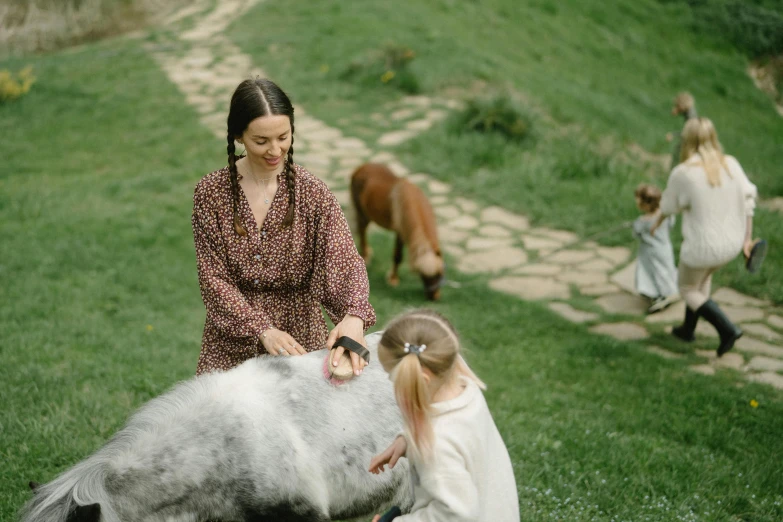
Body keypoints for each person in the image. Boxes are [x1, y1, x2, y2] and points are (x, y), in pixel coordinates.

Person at [191, 78, 376, 375]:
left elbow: (343, 261)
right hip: (232, 344)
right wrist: (262, 329)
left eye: (283, 136)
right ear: (239, 136)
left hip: (301, 341)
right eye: (261, 141)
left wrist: (353, 316)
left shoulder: (313, 193)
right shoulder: (211, 194)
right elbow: (213, 280)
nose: (275, 150)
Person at [367, 310, 519, 521]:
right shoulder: (467, 391)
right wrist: (407, 439)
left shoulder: (438, 443)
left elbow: (456, 513)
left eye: (394, 378)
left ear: (421, 380)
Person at [651, 117, 757, 357]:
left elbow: (668, 205)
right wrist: (747, 239)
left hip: (703, 248)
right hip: (731, 243)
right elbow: (749, 200)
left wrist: (656, 223)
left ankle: (727, 329)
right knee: (700, 282)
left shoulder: (683, 173)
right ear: (713, 137)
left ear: (687, 140)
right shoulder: (731, 163)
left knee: (687, 288)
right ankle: (687, 330)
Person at [632, 183, 679, 314]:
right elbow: (672, 224)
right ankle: (670, 289)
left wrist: (635, 226)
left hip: (650, 253)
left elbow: (636, 233)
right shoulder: (666, 216)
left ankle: (659, 295)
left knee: (653, 273)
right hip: (665, 249)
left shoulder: (642, 221)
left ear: (646, 205)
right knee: (665, 269)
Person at [666, 91, 698, 169]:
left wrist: (673, 135)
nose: (676, 107)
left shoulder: (690, 116)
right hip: (692, 139)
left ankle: (674, 171)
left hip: (692, 140)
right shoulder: (689, 113)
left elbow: (687, 132)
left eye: (677, 105)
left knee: (679, 153)